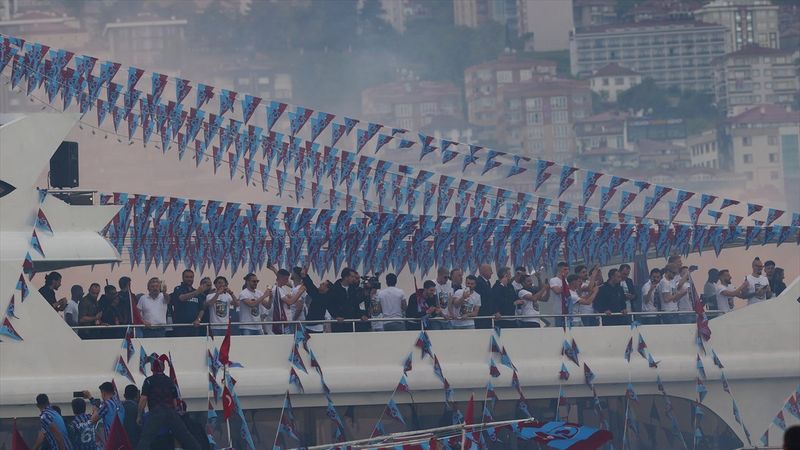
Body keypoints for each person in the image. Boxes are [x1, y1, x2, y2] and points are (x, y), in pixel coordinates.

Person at [136, 356, 200, 450]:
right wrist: (175, 415)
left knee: (146, 438)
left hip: (156, 412)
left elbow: (143, 400)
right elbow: (174, 400)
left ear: (152, 368)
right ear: (163, 368)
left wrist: (139, 415)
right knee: (185, 436)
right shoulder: (170, 381)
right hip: (170, 411)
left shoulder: (149, 381)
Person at [170, 270, 210, 337]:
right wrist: (197, 292)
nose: (189, 279)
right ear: (183, 278)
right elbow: (181, 298)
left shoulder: (197, 291)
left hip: (194, 327)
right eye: (187, 277)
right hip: (180, 327)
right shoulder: (178, 289)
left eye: (191, 277)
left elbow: (202, 308)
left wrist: (198, 320)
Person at [329, 268, 367, 333]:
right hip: (339, 324)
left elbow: (356, 305)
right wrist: (336, 316)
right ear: (346, 277)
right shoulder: (334, 289)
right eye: (352, 277)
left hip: (351, 323)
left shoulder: (353, 289)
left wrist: (362, 315)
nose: (353, 279)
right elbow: (330, 305)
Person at [271, 268, 306, 335]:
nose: (287, 281)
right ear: (281, 278)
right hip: (284, 321)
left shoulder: (282, 288)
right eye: (286, 279)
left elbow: (296, 305)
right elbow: (289, 302)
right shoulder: (276, 289)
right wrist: (300, 292)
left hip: (289, 320)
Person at [300, 268, 333, 333]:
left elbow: (311, 287)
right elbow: (311, 287)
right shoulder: (318, 295)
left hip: (316, 327)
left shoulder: (323, 298)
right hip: (310, 325)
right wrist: (305, 275)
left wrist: (305, 276)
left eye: (323, 284)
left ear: (327, 289)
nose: (320, 284)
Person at [547, 262, 571, 327]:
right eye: (565, 269)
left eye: (568, 269)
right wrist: (565, 285)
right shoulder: (553, 280)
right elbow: (557, 291)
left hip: (569, 310)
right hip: (559, 311)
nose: (567, 271)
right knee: (559, 330)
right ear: (559, 270)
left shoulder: (568, 281)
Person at [474, 263, 494, 329]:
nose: (492, 272)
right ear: (484, 271)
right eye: (490, 270)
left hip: (488, 315)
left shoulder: (487, 282)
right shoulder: (479, 282)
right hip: (482, 315)